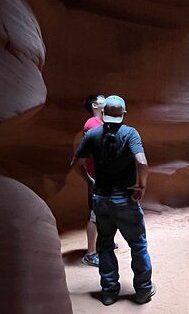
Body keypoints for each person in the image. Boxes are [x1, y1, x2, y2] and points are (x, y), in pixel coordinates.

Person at [71, 95, 156, 306]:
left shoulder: (93, 134)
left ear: (104, 113)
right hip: (125, 199)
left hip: (101, 199)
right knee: (138, 245)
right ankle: (143, 290)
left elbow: (75, 162)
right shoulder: (130, 133)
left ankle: (109, 292)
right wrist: (141, 186)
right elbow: (142, 163)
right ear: (123, 114)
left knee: (105, 245)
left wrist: (90, 181)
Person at [81, 94, 105, 267]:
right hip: (96, 177)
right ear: (96, 105)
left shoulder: (102, 123)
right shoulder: (92, 123)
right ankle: (90, 254)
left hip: (104, 176)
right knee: (94, 214)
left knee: (104, 211)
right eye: (103, 100)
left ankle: (101, 243)